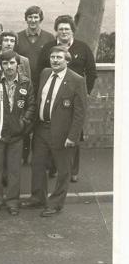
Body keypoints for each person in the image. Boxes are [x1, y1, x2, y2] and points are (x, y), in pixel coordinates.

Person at [21, 46, 87, 217]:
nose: (55, 60)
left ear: (67, 60)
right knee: (38, 165)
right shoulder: (45, 73)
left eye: (59, 57)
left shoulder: (77, 80)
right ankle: (37, 198)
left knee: (63, 169)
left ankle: (56, 203)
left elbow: (80, 112)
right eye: (53, 57)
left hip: (63, 133)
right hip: (41, 129)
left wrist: (72, 136)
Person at [36, 15, 97, 182]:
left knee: (73, 133)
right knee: (51, 134)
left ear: (72, 31)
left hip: (73, 99)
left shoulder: (82, 48)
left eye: (67, 29)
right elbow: (40, 70)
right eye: (60, 29)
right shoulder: (50, 48)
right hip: (53, 98)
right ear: (56, 30)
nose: (63, 32)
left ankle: (73, 170)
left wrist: (85, 93)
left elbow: (91, 73)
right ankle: (54, 167)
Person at [0, 50, 35, 216]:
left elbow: (31, 106)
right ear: (1, 65)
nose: (9, 67)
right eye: (5, 63)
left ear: (17, 64)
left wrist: (22, 124)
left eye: (12, 63)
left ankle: (12, 202)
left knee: (14, 170)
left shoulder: (26, 82)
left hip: (17, 135)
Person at [16, 6, 55, 165]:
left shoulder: (49, 37)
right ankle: (23, 156)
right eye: (30, 17)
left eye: (36, 17)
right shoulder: (18, 37)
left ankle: (41, 156)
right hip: (23, 85)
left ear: (40, 19)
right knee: (23, 119)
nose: (33, 20)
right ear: (26, 19)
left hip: (42, 85)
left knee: (41, 120)